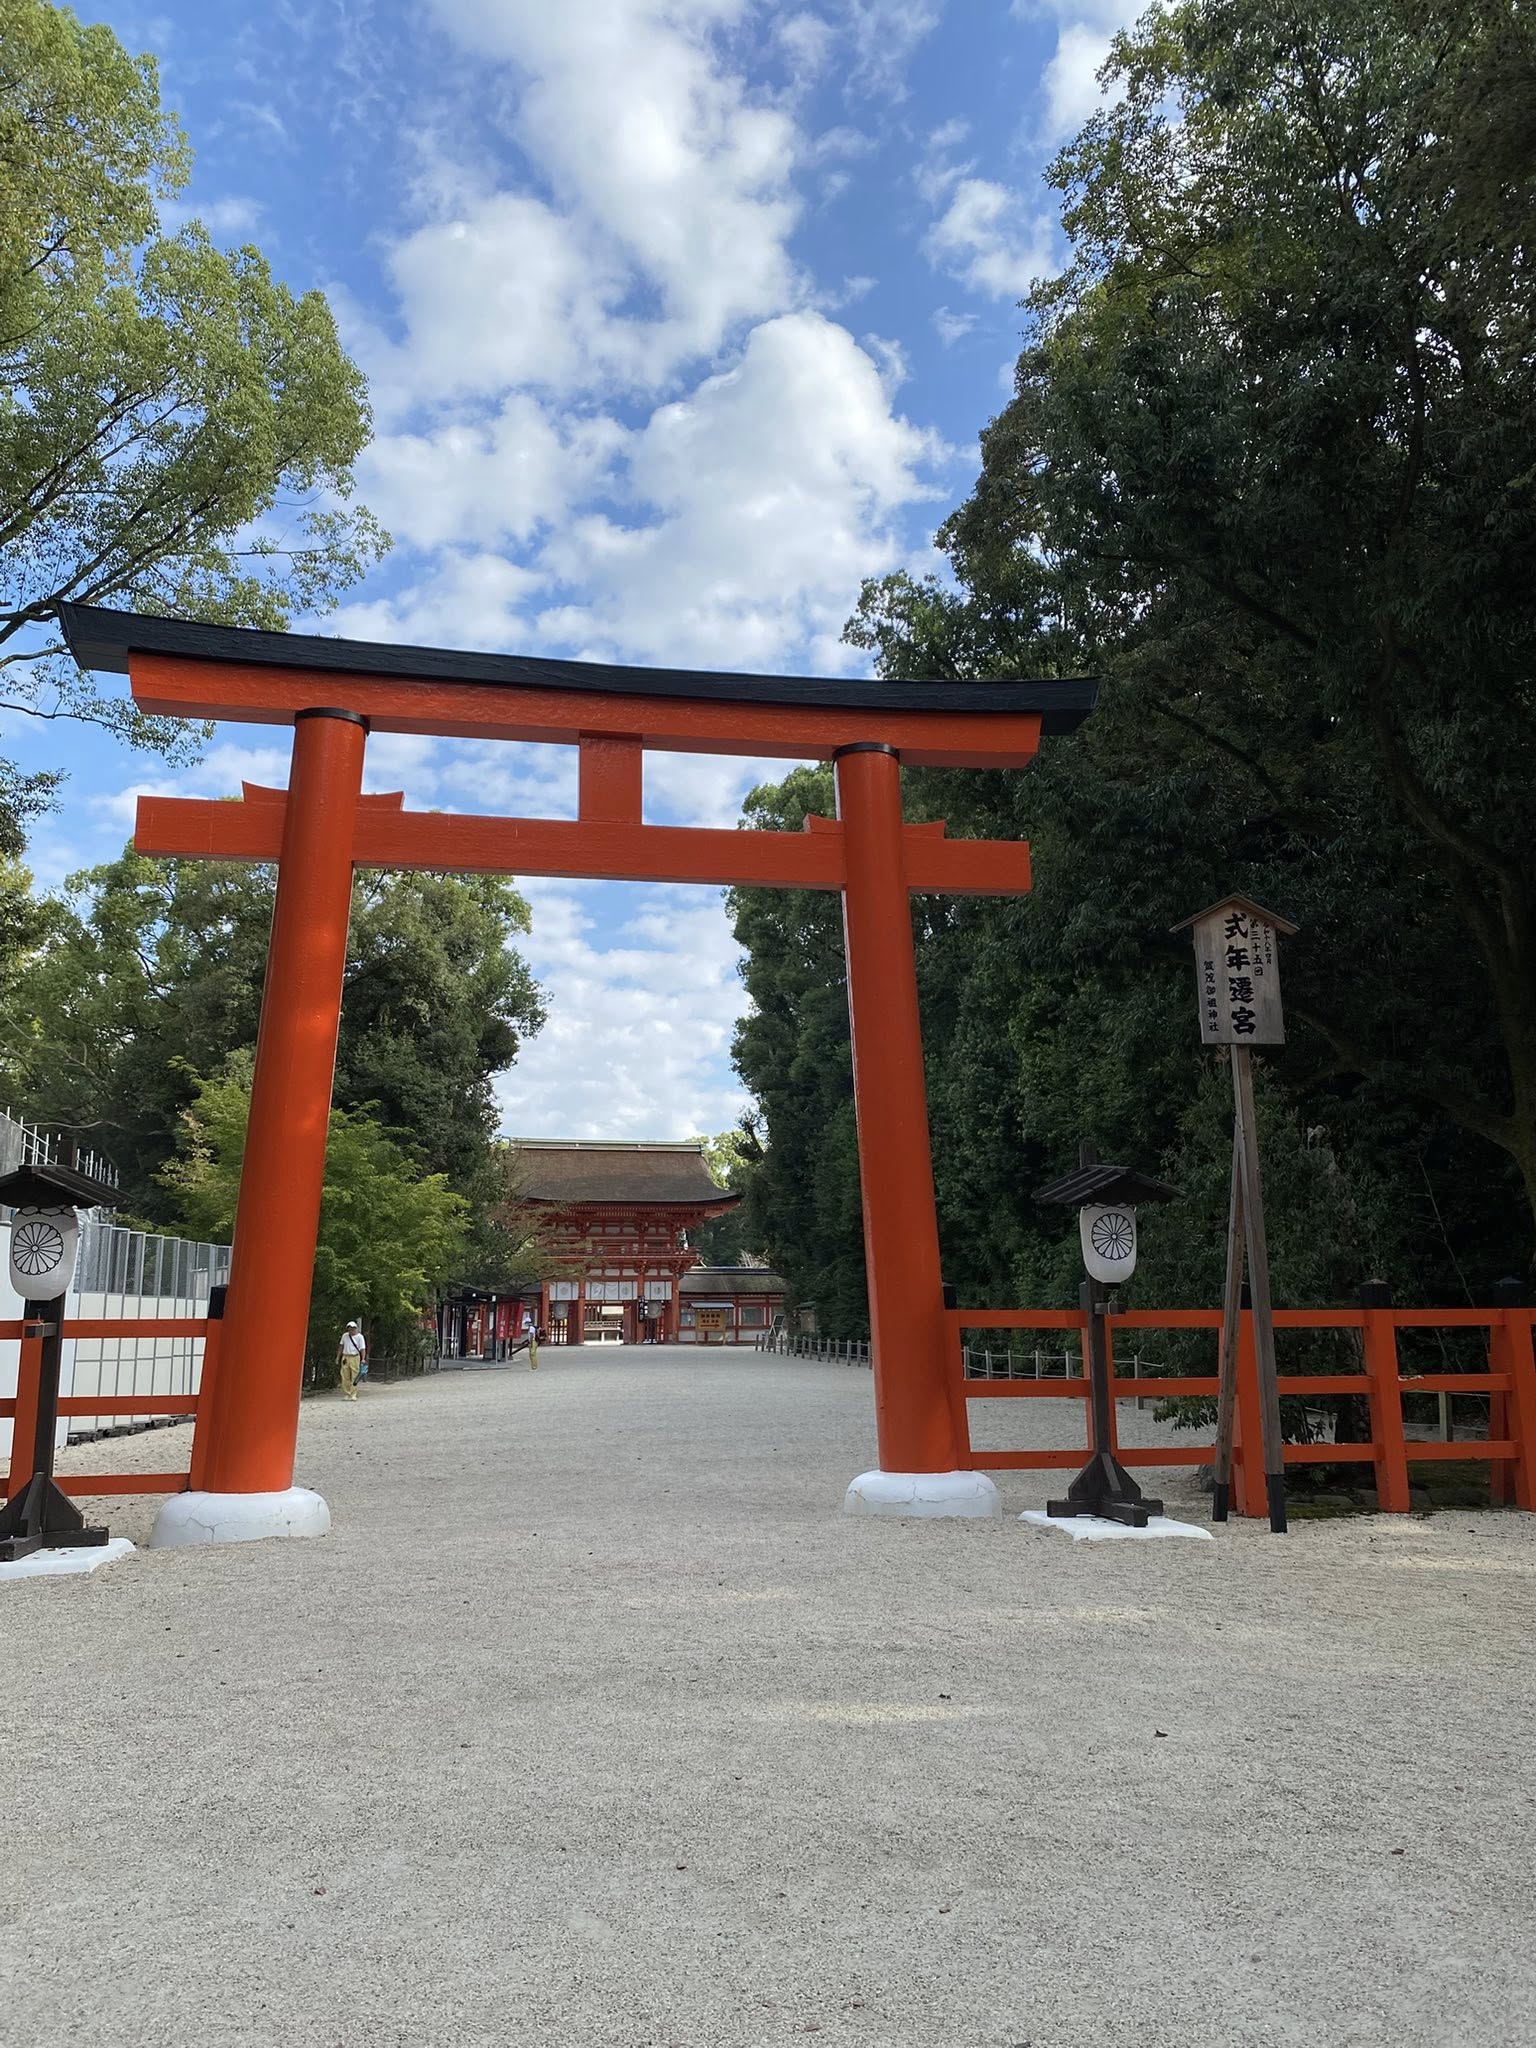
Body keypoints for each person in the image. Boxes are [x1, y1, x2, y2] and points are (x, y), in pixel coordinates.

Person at [338, 1319, 367, 1400]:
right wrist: (338, 1357)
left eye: (353, 1328)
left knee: (355, 1376)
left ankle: (353, 1393)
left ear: (356, 1328)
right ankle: (347, 1393)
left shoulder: (360, 1337)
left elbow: (362, 1348)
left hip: (355, 1356)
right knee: (345, 1376)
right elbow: (341, 1346)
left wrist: (363, 1358)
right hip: (345, 1357)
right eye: (350, 1328)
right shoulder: (345, 1336)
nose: (351, 1330)